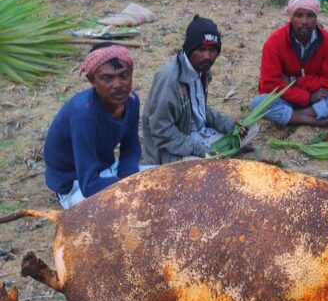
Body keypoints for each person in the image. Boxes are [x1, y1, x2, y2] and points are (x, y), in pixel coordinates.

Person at [44, 44, 146, 209]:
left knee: (168, 181)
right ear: (92, 80)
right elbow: (89, 185)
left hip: (104, 171)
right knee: (129, 209)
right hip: (75, 185)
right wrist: (129, 187)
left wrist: (129, 178)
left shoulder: (131, 101)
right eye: (107, 78)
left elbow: (131, 148)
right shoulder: (83, 115)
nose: (118, 84)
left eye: (124, 75)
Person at [143, 15, 251, 164]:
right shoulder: (170, 79)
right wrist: (198, 148)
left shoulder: (202, 71)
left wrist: (228, 125)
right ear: (189, 49)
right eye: (201, 49)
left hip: (197, 134)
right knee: (206, 168)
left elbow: (199, 109)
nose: (207, 56)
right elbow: (162, 131)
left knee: (249, 132)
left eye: (213, 50)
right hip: (171, 149)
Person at [254, 0, 328, 127]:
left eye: (310, 15)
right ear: (291, 17)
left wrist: (294, 81)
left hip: (318, 97)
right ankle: (313, 120)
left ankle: (295, 116)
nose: (304, 21)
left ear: (316, 17)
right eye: (299, 15)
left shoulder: (327, 40)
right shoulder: (274, 42)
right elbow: (270, 84)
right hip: (288, 98)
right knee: (258, 103)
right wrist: (306, 97)